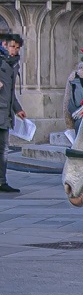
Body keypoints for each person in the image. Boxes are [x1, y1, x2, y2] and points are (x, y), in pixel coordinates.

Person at [0, 32, 26, 193]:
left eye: (17, 48)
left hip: (5, 113)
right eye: (12, 46)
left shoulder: (13, 64)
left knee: (3, 149)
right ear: (4, 45)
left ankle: (2, 181)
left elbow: (11, 92)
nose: (14, 50)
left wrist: (18, 109)